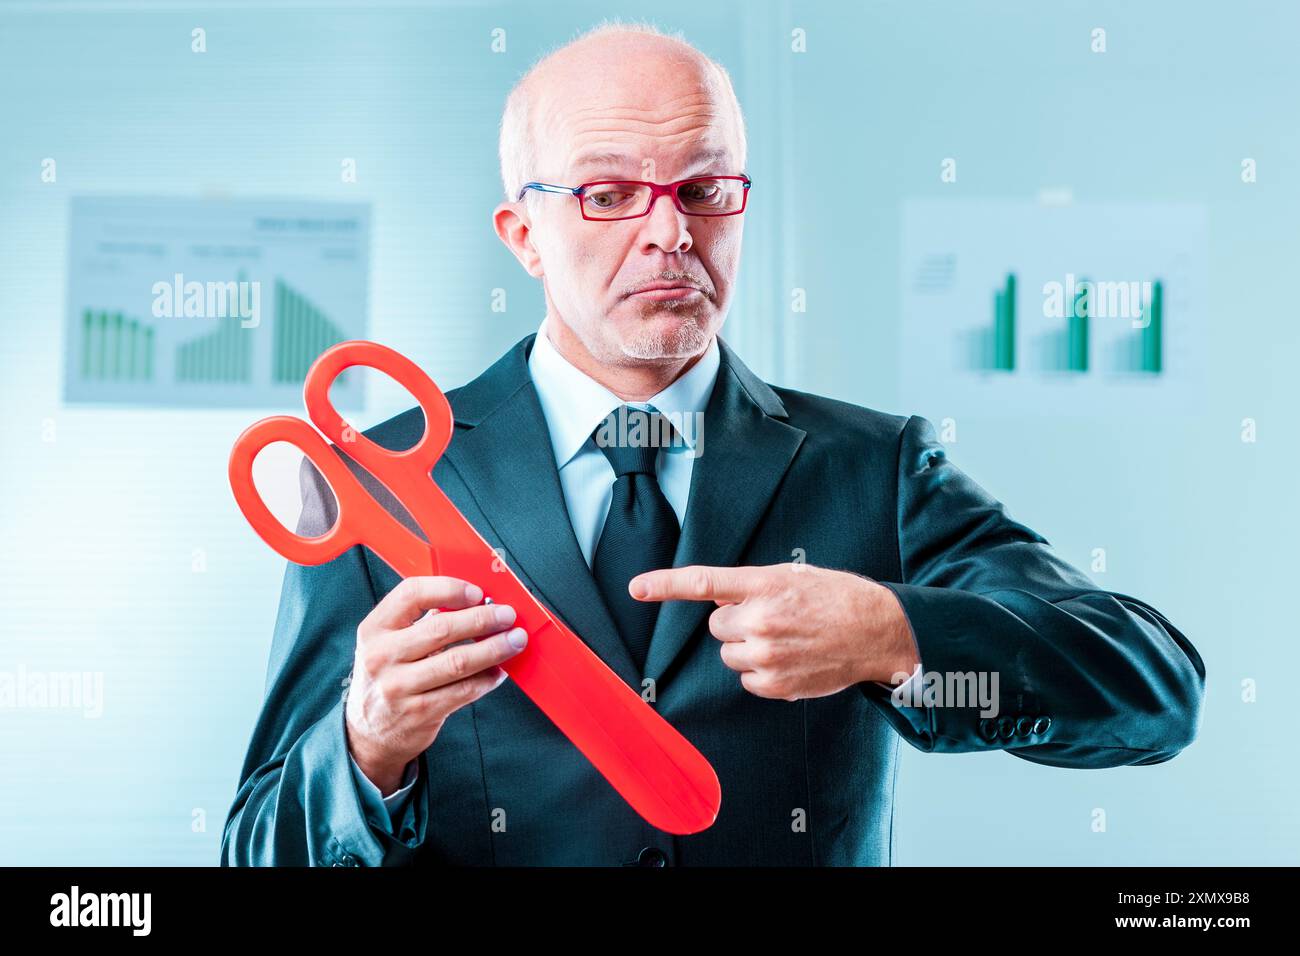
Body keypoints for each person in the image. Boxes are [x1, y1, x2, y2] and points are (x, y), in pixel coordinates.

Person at [221, 21, 1205, 867]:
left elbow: (1152, 692)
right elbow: (256, 844)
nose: (669, 233)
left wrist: (895, 634)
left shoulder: (873, 469)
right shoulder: (373, 485)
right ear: (522, 233)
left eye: (703, 189)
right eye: (608, 195)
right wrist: (366, 745)